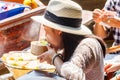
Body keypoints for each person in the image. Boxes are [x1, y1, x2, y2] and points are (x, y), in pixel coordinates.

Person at [31, 0, 106, 80]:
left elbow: (72, 76)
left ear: (58, 31)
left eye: (46, 31)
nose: (45, 37)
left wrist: (54, 57)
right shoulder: (67, 47)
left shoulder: (88, 45)